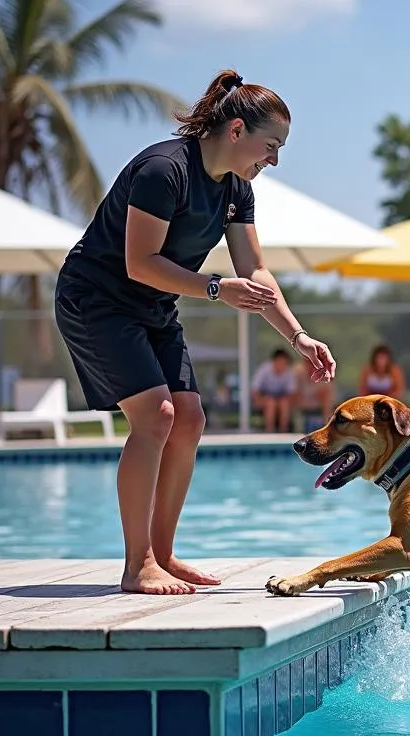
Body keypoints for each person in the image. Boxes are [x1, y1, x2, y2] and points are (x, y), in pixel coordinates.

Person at [54, 69, 336, 595]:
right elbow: (139, 262)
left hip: (154, 307)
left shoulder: (236, 189)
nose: (273, 160)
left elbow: (254, 271)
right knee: (157, 416)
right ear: (235, 131)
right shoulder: (165, 170)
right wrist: (213, 288)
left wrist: (298, 336)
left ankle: (162, 554)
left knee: (189, 418)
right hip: (97, 301)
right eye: (270, 146)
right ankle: (137, 565)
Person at [252, 347, 298, 432]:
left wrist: (288, 404)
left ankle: (283, 431)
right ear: (274, 361)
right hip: (266, 399)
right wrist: (259, 401)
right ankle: (269, 431)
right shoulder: (264, 369)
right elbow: (255, 389)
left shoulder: (288, 372)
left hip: (281, 400)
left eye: (285, 363)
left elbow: (292, 393)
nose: (282, 365)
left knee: (284, 403)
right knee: (270, 403)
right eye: (280, 362)